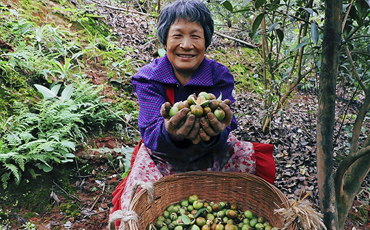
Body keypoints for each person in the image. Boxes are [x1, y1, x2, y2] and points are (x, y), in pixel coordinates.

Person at [109, 0, 275, 229]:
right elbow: (150, 131)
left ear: (206, 41)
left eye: (195, 36)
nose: (186, 45)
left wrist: (217, 133)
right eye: (177, 35)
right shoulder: (148, 78)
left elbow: (224, 126)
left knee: (243, 169)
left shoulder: (219, 77)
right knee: (139, 201)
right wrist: (170, 132)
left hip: (210, 152)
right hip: (162, 155)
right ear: (165, 39)